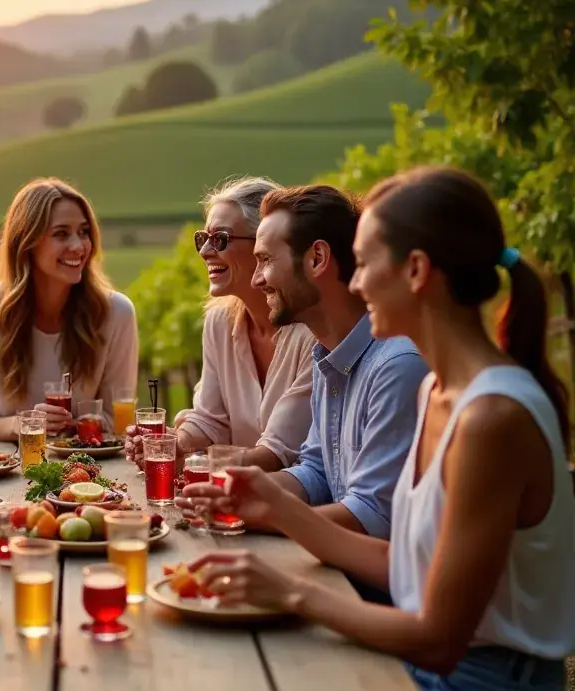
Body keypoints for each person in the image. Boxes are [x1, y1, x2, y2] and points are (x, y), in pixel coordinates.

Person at [185, 167, 575, 691]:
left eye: (364, 264)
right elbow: (409, 563)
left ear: (416, 272)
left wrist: (291, 592)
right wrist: (272, 501)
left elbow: (440, 638)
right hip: (429, 680)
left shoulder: (491, 418)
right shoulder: (439, 392)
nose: (356, 283)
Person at [182, 183, 428, 540]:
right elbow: (315, 471)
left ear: (317, 259)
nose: (256, 278)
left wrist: (258, 515)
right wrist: (236, 492)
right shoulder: (327, 355)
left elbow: (372, 517)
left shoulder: (396, 365)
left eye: (265, 260)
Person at [127, 176, 314, 472]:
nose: (204, 252)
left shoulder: (311, 332)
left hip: (290, 504)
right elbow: (210, 419)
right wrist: (174, 444)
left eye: (221, 239)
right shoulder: (219, 322)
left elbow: (281, 452)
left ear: (265, 244)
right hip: (236, 496)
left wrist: (199, 461)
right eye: (203, 238)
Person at [0, 177, 138, 441]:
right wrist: (20, 425)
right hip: (3, 471)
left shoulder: (117, 313)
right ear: (27, 243)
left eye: (84, 232)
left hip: (89, 470)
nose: (78, 246)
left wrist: (82, 425)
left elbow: (119, 416)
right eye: (61, 233)